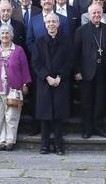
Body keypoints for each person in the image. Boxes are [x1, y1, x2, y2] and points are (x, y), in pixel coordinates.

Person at [73, 4, 106, 139]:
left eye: (99, 13)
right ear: (89, 14)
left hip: (102, 71)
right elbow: (76, 53)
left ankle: (99, 127)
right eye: (94, 13)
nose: (96, 15)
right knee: (86, 102)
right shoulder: (81, 30)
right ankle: (87, 129)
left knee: (100, 101)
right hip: (86, 71)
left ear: (102, 14)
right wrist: (77, 71)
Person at [33, 13, 73, 155]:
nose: (51, 24)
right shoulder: (39, 42)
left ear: (58, 23)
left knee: (58, 116)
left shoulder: (67, 41)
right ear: (45, 24)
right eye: (48, 21)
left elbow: (69, 61)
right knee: (45, 116)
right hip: (44, 83)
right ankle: (44, 145)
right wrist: (47, 77)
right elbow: (36, 63)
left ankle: (58, 146)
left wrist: (59, 76)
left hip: (60, 82)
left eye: (53, 21)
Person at [0, 23, 32, 150]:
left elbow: (24, 68)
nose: (5, 35)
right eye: (2, 33)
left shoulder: (18, 50)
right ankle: (1, 140)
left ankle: (10, 141)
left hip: (13, 89)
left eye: (7, 33)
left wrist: (25, 84)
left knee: (11, 117)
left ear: (11, 35)